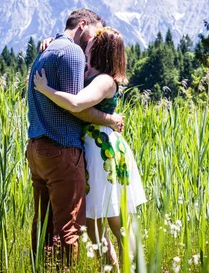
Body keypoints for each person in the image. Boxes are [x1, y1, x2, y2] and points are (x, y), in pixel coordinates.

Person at [34, 27, 146, 268]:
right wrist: (53, 43)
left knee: (115, 218)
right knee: (93, 223)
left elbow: (76, 104)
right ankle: (112, 269)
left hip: (102, 151)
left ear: (100, 47)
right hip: (91, 149)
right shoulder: (89, 72)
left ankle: (137, 267)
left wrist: (45, 89)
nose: (86, 40)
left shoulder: (105, 80)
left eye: (92, 40)